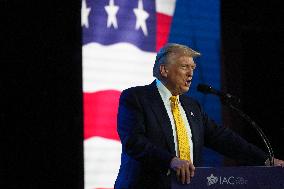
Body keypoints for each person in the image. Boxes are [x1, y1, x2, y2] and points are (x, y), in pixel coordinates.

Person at [114, 43, 284, 188]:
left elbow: (222, 138)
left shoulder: (191, 105)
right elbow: (134, 142)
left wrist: (264, 160)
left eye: (193, 68)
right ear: (164, 70)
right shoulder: (136, 98)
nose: (191, 73)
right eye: (184, 67)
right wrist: (170, 161)